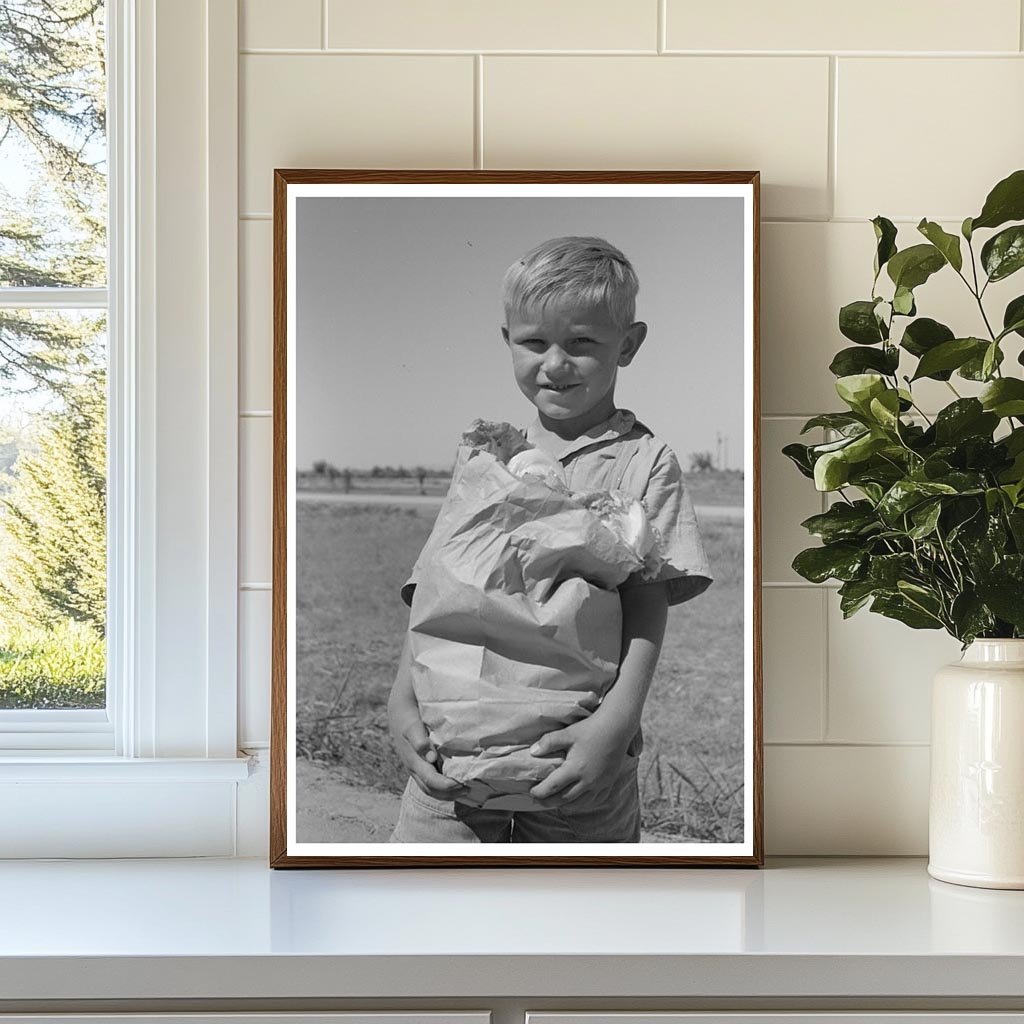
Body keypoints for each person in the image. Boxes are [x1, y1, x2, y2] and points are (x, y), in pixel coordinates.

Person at [387, 236, 712, 843]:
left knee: (580, 922)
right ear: (506, 340)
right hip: (452, 756)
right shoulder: (488, 458)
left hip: (578, 759)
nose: (555, 364)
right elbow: (438, 589)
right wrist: (402, 701)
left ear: (629, 345)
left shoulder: (644, 462)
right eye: (534, 342)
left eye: (582, 343)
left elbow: (648, 603)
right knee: (428, 913)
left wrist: (614, 727)